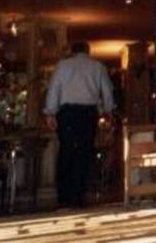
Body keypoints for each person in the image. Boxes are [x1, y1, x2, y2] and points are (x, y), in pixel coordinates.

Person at [45, 41, 114, 210]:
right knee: (84, 151)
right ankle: (79, 195)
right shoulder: (97, 67)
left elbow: (54, 89)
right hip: (88, 113)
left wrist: (50, 112)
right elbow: (107, 90)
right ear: (88, 51)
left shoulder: (63, 66)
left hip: (67, 113)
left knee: (66, 151)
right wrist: (108, 111)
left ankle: (64, 197)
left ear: (72, 51)